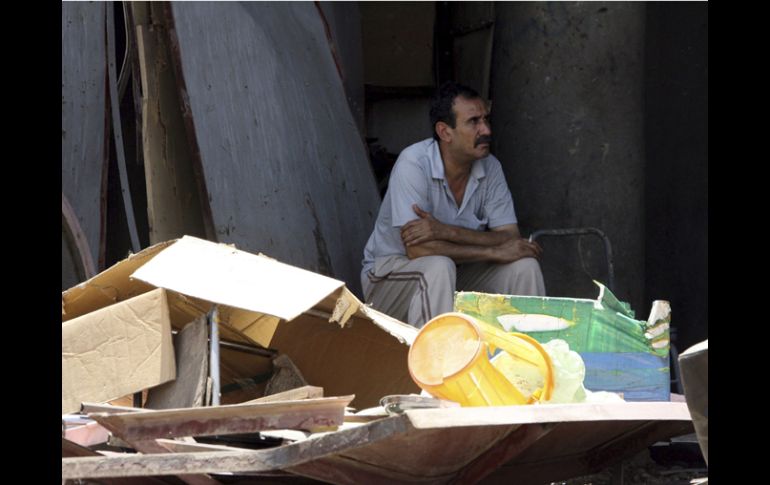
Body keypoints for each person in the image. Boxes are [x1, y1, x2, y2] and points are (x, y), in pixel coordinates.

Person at [360, 81, 546, 328]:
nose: (486, 130)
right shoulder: (414, 163)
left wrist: (445, 231)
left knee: (524, 267)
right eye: (473, 122)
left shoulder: (491, 167)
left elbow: (510, 236)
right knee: (438, 266)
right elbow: (419, 250)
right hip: (389, 278)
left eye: (486, 119)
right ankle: (434, 353)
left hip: (456, 271)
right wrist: (492, 251)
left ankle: (528, 351)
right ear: (445, 132)